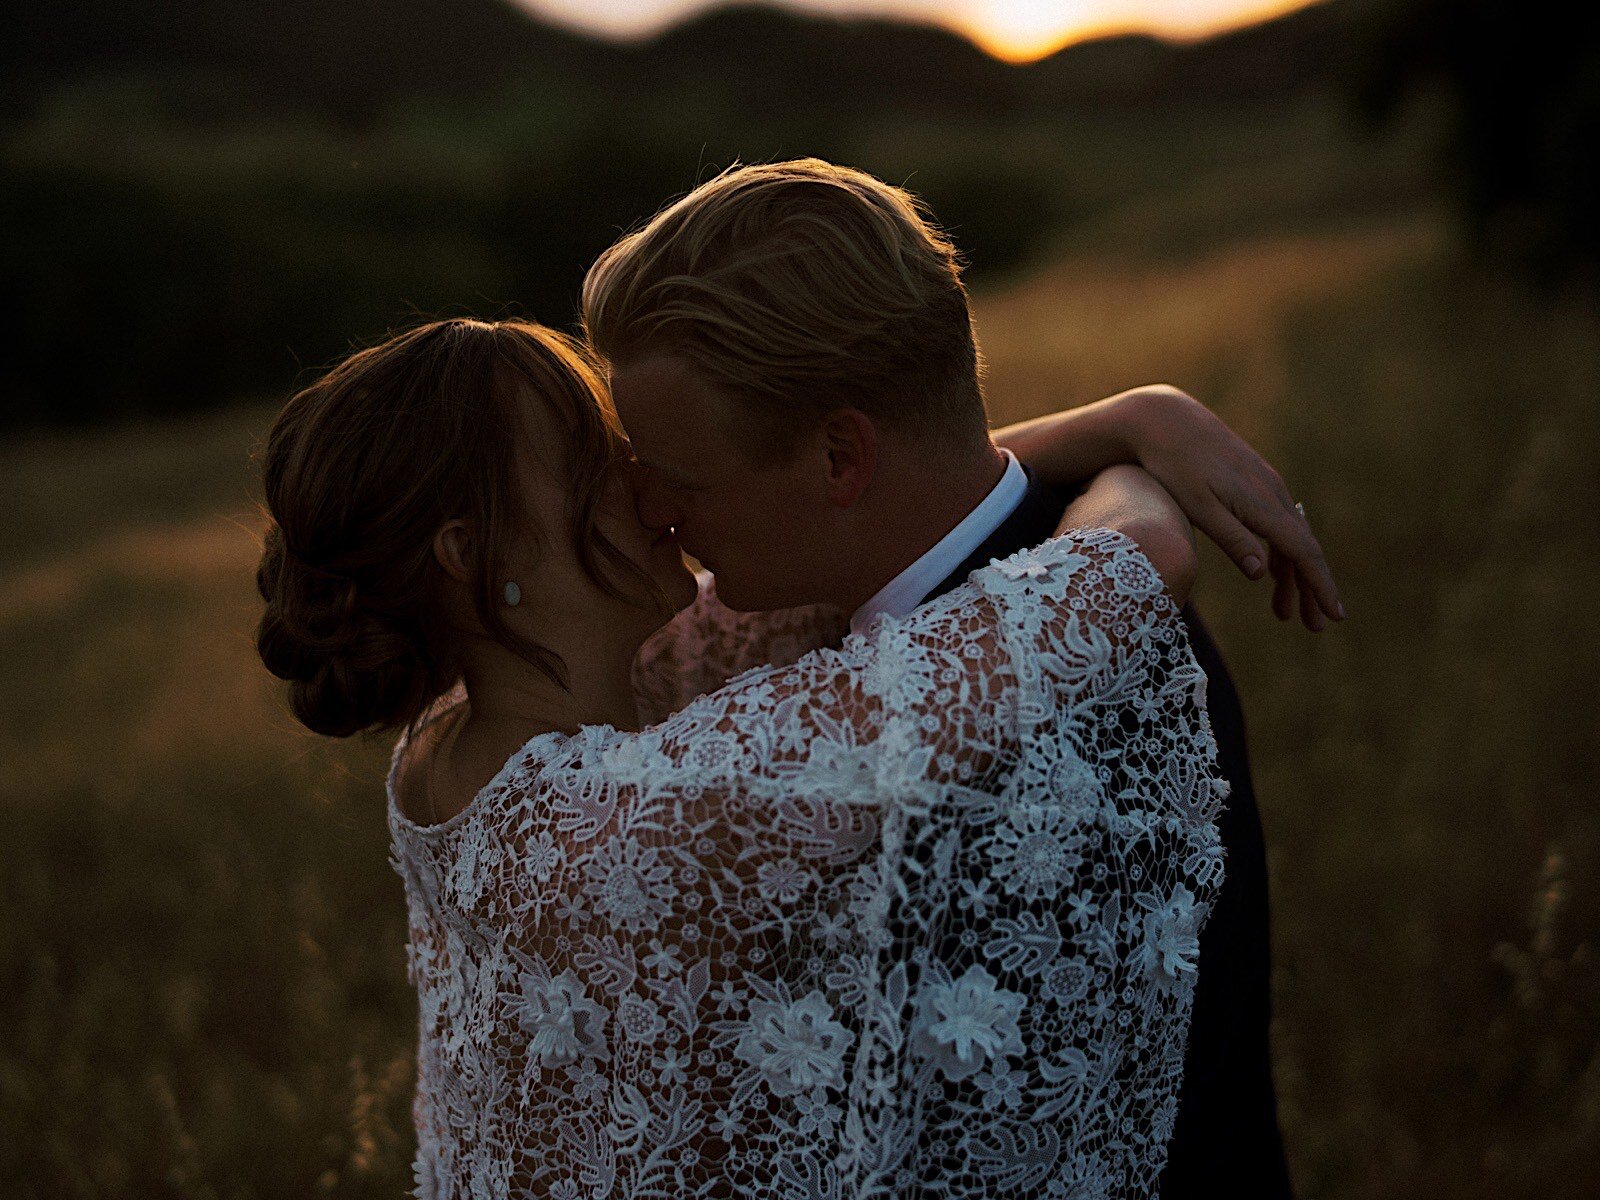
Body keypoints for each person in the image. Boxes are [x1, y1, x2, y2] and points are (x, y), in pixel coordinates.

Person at [252, 314, 1315, 1196]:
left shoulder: (462, 741)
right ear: (472, 557)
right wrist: (1147, 438)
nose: (649, 488)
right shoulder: (637, 824)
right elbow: (1122, 573)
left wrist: (1115, 417)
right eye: (593, 466)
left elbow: (847, 496)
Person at [583, 159, 1330, 1197]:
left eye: (678, 477)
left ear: (840, 460)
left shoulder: (1047, 709)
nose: (655, 513)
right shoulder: (1012, 581)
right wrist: (1120, 425)